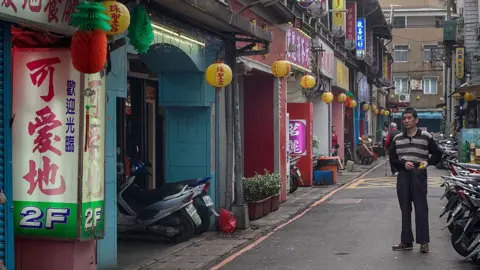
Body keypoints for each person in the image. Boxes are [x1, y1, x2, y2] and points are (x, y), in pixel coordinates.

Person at [389, 108, 442, 253]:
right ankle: (406, 241)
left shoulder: (426, 136)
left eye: (409, 118)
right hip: (404, 175)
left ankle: (424, 242)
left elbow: (438, 153)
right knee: (405, 208)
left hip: (419, 174)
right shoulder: (397, 138)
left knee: (421, 208)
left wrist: (428, 163)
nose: (406, 120)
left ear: (416, 120)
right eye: (404, 118)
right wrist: (402, 165)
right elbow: (392, 159)